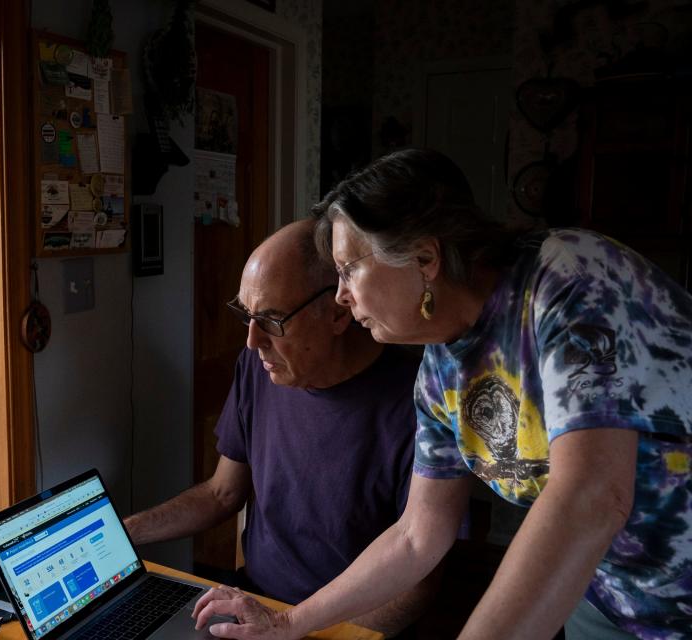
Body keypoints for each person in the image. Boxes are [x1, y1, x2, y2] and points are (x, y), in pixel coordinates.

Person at [192, 148, 692, 640]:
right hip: (607, 597)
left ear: (424, 258)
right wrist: (288, 623)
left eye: (347, 270)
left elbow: (591, 497)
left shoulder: (570, 281)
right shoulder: (440, 371)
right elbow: (416, 537)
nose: (341, 295)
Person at [124, 219, 439, 637]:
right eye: (246, 315)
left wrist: (301, 632)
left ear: (337, 312)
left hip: (343, 627)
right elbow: (222, 493)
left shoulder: (421, 401)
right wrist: (124, 533)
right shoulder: (259, 369)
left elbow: (419, 583)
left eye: (272, 319)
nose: (253, 341)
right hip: (256, 607)